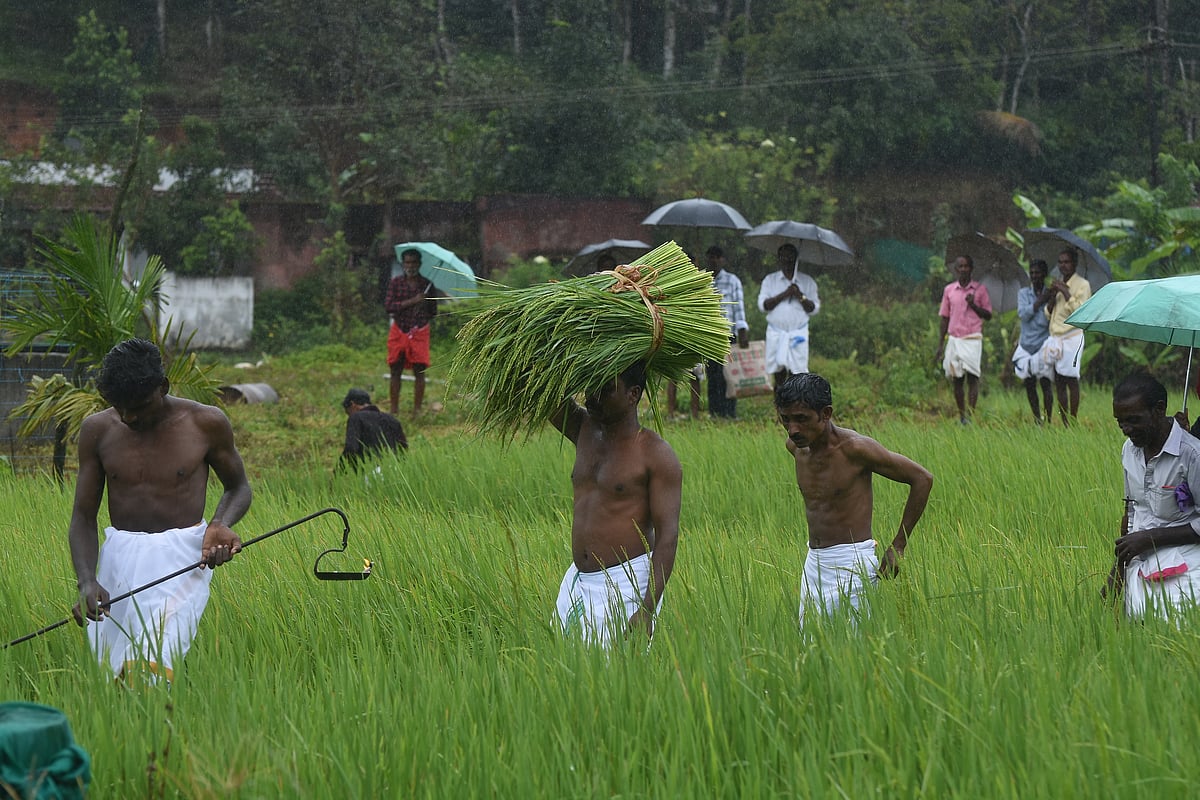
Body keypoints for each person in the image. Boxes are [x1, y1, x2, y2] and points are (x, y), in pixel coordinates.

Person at [69, 339, 252, 681]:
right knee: (115, 674)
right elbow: (83, 516)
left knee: (151, 664)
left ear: (163, 387)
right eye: (119, 407)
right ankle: (132, 734)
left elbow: (239, 487)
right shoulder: (97, 430)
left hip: (183, 557)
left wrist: (219, 523)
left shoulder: (205, 423)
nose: (128, 417)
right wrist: (87, 580)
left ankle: (156, 728)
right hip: (119, 559)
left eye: (138, 406)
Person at [775, 373, 933, 625]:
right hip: (813, 563)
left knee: (854, 652)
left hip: (852, 564)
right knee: (812, 651)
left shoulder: (855, 449)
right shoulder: (795, 447)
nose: (793, 429)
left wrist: (898, 545)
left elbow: (922, 479)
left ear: (826, 414)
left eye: (802, 419)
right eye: (786, 419)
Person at [550, 361, 682, 647]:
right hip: (577, 582)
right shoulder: (583, 429)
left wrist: (647, 609)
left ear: (633, 394)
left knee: (618, 683)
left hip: (625, 583)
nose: (593, 397)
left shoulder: (655, 454)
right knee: (564, 677)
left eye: (606, 389)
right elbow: (543, 393)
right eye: (590, 386)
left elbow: (668, 536)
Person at [1107, 372, 1200, 620]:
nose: (1126, 430)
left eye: (1134, 420)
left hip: (1187, 559)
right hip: (1141, 558)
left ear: (1159, 410)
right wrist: (1117, 572)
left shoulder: (1192, 456)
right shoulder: (1130, 450)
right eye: (1120, 422)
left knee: (1172, 625)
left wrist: (1151, 538)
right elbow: (1133, 511)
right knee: (1135, 628)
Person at [935, 254, 993, 424]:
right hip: (955, 338)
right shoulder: (949, 290)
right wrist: (940, 343)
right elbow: (944, 317)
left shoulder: (979, 290)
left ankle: (971, 414)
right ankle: (962, 416)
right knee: (957, 378)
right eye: (960, 266)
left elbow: (988, 315)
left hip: (973, 338)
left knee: (973, 377)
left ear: (971, 269)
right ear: (955, 269)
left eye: (966, 266)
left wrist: (974, 304)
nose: (963, 269)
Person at [385, 248, 439, 416]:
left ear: (419, 264)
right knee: (395, 370)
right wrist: (412, 301)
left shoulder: (427, 286)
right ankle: (394, 409)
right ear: (403, 264)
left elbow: (433, 312)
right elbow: (389, 307)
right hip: (399, 330)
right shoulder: (396, 283)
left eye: (414, 262)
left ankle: (417, 411)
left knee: (419, 371)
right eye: (407, 262)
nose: (410, 266)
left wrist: (424, 304)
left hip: (419, 332)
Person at [758, 243, 820, 386]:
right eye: (783, 257)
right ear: (779, 259)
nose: (786, 260)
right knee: (778, 374)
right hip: (776, 332)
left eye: (790, 256)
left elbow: (814, 308)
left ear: (796, 259)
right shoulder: (770, 280)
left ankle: (795, 405)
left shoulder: (807, 281)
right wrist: (785, 294)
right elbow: (764, 306)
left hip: (798, 333)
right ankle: (780, 405)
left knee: (797, 375)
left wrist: (800, 295)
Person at [1042, 247, 1091, 426]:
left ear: (1075, 264)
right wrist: (1052, 295)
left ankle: (1073, 418)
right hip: (1056, 337)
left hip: (1072, 336)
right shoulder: (1058, 283)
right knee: (1059, 380)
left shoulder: (1083, 285)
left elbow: (1081, 311)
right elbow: (1048, 314)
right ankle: (1064, 422)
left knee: (1071, 378)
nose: (1063, 265)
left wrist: (1065, 291)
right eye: (1060, 262)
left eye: (1067, 262)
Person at [704, 245, 750, 418]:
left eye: (717, 257)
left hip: (727, 335)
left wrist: (742, 330)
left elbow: (739, 307)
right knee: (713, 376)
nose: (713, 260)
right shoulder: (702, 280)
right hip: (708, 335)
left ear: (722, 260)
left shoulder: (732, 281)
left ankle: (729, 412)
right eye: (710, 257)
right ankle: (714, 412)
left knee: (729, 375)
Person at [1012, 259, 1055, 424]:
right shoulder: (1023, 293)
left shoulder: (1050, 294)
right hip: (1026, 345)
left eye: (1038, 273)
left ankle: (1049, 420)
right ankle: (1038, 419)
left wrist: (1048, 299)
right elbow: (1023, 314)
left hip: (1043, 344)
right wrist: (1039, 301)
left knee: (1045, 384)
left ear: (1044, 274)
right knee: (1029, 384)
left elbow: (1050, 318)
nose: (1034, 276)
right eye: (1032, 273)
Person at [337, 388, 407, 473]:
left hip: (372, 471)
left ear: (353, 404)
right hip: (397, 470)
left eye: (348, 413)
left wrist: (338, 472)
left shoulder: (356, 418)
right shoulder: (392, 419)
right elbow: (403, 447)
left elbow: (351, 448)